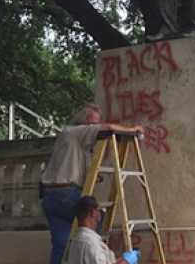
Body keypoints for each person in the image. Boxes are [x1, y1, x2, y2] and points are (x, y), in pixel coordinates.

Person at [41, 103, 145, 264]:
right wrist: (133, 130)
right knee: (95, 216)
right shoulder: (76, 132)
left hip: (50, 196)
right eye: (93, 122)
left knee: (61, 247)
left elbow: (71, 167)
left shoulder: (72, 139)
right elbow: (108, 128)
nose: (94, 126)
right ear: (83, 121)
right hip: (67, 194)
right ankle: (100, 259)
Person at [68, 195, 140, 264]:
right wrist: (127, 261)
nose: (100, 213)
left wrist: (123, 259)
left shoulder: (76, 240)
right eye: (99, 210)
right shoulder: (91, 243)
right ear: (93, 213)